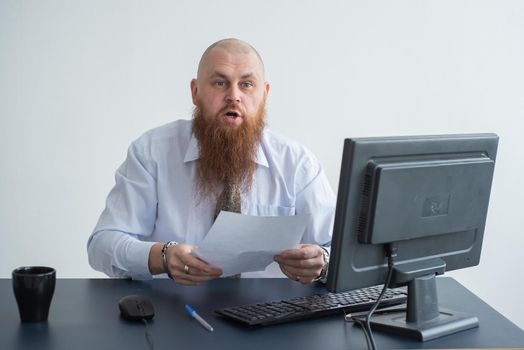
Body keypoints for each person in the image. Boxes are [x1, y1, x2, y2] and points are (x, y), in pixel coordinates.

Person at [87, 38, 335, 285]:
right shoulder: (152, 152)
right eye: (220, 83)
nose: (233, 96)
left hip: (270, 317)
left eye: (247, 84)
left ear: (264, 95)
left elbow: (338, 249)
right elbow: (102, 245)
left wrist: (322, 262)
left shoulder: (298, 164)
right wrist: (162, 256)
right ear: (195, 92)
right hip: (174, 312)